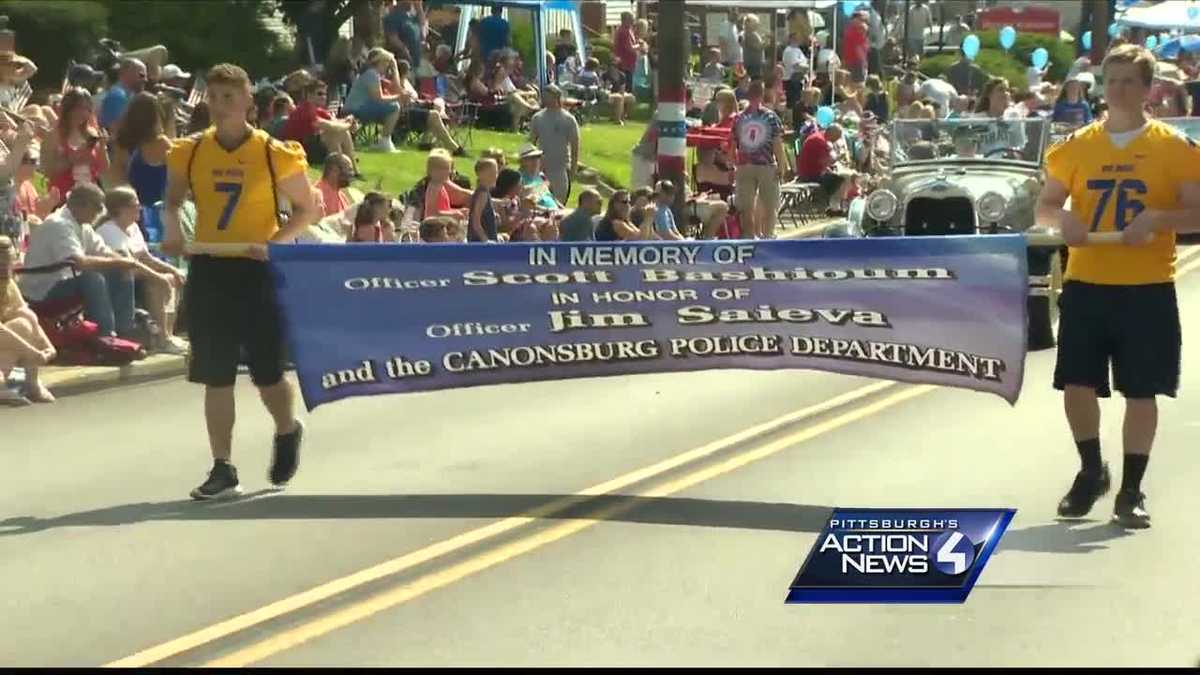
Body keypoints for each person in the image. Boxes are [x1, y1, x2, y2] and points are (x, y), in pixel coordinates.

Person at [1036, 44, 1200, 530]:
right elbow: (1045, 205)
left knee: (1141, 390)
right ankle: (1091, 470)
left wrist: (1159, 219)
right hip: (1088, 282)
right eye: (1113, 81)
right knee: (1076, 384)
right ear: (1101, 88)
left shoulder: (1175, 148)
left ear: (1149, 90)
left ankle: (1132, 488)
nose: (1120, 90)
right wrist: (1061, 219)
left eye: (1131, 81)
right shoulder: (1076, 146)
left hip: (1147, 286)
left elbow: (1197, 210)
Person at [160, 63, 318, 501]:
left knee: (268, 374)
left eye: (230, 97)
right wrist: (173, 228)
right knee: (216, 373)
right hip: (211, 267)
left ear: (249, 101)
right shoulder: (189, 150)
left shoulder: (273, 152)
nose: (221, 106)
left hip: (258, 269)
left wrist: (276, 242)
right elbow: (171, 201)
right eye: (213, 97)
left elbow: (309, 209)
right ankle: (222, 468)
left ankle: (287, 429)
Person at [19, 184, 166, 339]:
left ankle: (125, 329)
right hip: (42, 289)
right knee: (92, 278)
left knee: (119, 267)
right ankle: (106, 335)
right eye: (97, 208)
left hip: (63, 280)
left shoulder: (83, 225)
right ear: (81, 205)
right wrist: (123, 263)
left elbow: (105, 251)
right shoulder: (59, 224)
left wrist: (126, 262)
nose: (99, 213)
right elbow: (80, 262)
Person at [95, 186, 187, 352]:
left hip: (137, 273)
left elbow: (145, 257)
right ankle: (162, 339)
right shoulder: (108, 230)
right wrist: (158, 277)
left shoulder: (133, 227)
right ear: (120, 208)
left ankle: (169, 334)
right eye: (134, 204)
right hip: (117, 278)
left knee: (173, 277)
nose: (140, 208)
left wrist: (172, 270)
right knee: (157, 283)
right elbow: (128, 262)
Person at [0, 235, 55, 406]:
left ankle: (32, 383)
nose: (4, 267)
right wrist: (32, 351)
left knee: (25, 319)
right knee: (21, 326)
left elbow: (27, 313)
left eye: (7, 261)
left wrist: (48, 346)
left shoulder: (8, 282)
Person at [731, 80, 786, 239]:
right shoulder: (770, 116)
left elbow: (733, 144)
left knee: (746, 206)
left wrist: (733, 164)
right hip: (766, 165)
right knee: (770, 204)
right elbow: (777, 143)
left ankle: (749, 237)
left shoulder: (739, 118)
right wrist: (781, 165)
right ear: (762, 95)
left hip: (744, 165)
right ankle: (767, 236)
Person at [40, 88, 109, 203]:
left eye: (87, 109)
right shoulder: (54, 135)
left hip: (90, 198)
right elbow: (47, 171)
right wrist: (72, 160)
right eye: (79, 107)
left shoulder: (92, 133)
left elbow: (104, 168)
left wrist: (102, 147)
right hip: (62, 198)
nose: (83, 113)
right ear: (68, 108)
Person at [110, 92, 172, 207]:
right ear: (153, 118)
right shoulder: (163, 144)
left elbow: (116, 181)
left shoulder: (122, 145)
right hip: (158, 212)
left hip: (130, 210)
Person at [283, 82, 359, 170]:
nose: (323, 97)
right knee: (334, 134)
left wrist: (349, 120)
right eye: (319, 94)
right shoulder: (305, 110)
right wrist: (348, 125)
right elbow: (330, 126)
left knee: (342, 132)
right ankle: (341, 169)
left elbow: (335, 122)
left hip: (309, 147)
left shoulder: (317, 110)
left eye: (325, 94)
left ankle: (352, 170)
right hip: (298, 152)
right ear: (309, 95)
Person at [344, 48, 404, 153]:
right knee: (395, 107)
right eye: (386, 62)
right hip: (356, 109)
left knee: (393, 106)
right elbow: (378, 98)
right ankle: (384, 142)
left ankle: (385, 141)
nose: (387, 66)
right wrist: (398, 98)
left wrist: (395, 69)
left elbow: (396, 88)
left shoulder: (374, 74)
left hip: (361, 107)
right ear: (379, 62)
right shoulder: (371, 74)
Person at [528, 85, 580, 205]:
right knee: (540, 202)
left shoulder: (568, 119)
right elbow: (531, 143)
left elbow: (575, 146)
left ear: (557, 97)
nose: (545, 98)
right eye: (544, 95)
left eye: (548, 95)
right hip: (541, 169)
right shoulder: (538, 118)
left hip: (560, 168)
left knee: (558, 203)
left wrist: (573, 169)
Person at [99, 58, 148, 132]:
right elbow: (117, 130)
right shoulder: (118, 95)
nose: (145, 80)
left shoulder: (130, 95)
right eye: (142, 75)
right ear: (127, 73)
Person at [468, 157, 500, 242]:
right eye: (491, 173)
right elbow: (475, 221)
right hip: (480, 243)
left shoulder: (484, 192)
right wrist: (485, 240)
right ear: (481, 174)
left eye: (496, 173)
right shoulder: (483, 194)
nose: (495, 176)